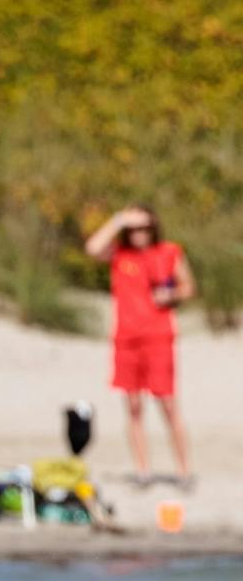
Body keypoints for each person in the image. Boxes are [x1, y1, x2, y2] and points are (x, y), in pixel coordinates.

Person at [84, 205, 195, 484]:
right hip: (126, 339)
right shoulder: (120, 255)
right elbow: (92, 247)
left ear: (153, 227)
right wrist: (119, 219)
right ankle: (143, 470)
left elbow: (188, 287)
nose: (138, 234)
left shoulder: (169, 252)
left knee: (168, 405)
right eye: (133, 229)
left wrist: (169, 296)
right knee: (133, 407)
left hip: (158, 338)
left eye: (143, 227)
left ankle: (184, 471)